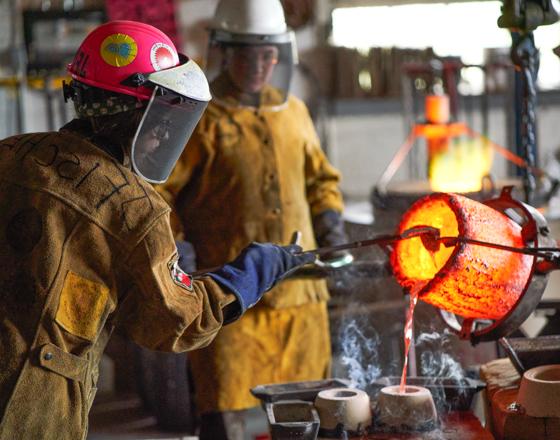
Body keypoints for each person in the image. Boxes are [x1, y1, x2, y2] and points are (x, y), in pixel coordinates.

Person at [0, 20, 315, 440]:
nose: (166, 132)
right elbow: (175, 322)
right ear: (138, 114)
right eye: (163, 117)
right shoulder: (132, 208)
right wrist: (250, 273)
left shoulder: (11, 151)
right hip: (28, 408)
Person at [157, 1, 351, 438]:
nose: (259, 65)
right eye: (247, 54)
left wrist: (331, 221)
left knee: (308, 412)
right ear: (224, 52)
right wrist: (178, 247)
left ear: (281, 55)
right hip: (230, 300)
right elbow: (160, 194)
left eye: (268, 55)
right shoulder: (200, 119)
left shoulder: (294, 112)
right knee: (228, 412)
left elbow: (321, 179)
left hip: (302, 302)